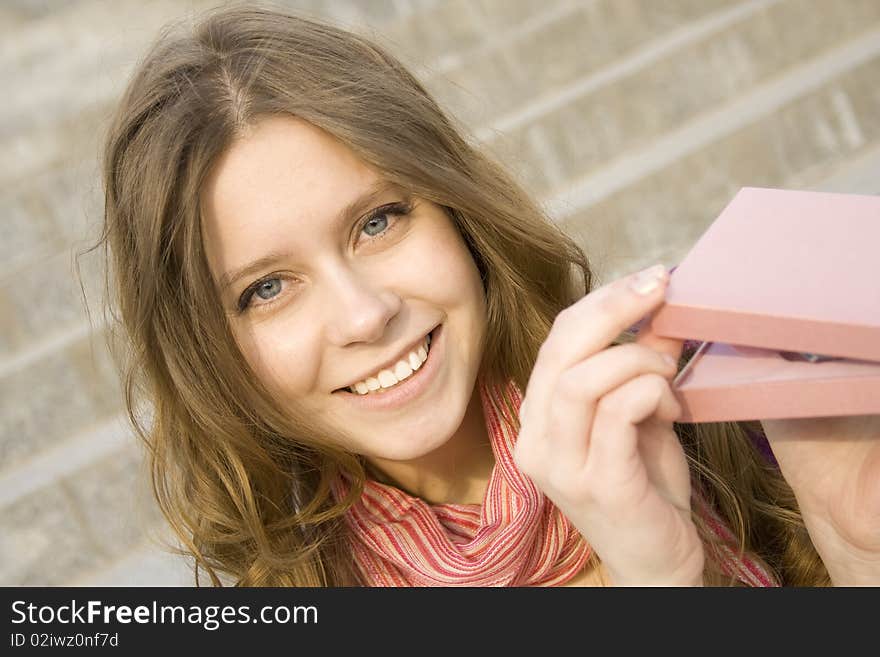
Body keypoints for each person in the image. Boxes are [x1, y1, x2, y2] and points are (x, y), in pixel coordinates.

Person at [86, 4, 879, 587]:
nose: (365, 314)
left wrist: (856, 551)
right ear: (206, 352)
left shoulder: (726, 419)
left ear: (456, 210)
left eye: (378, 221)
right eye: (266, 288)